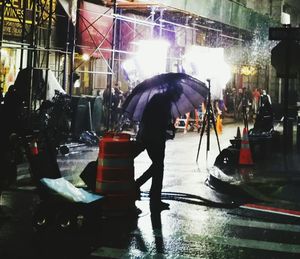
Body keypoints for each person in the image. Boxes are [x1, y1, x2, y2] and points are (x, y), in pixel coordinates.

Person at [133, 89, 179, 211]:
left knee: (158, 166)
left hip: (147, 134)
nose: (178, 98)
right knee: (158, 166)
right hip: (154, 137)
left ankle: (152, 197)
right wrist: (169, 127)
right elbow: (160, 120)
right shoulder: (164, 102)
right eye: (177, 95)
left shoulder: (159, 98)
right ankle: (146, 192)